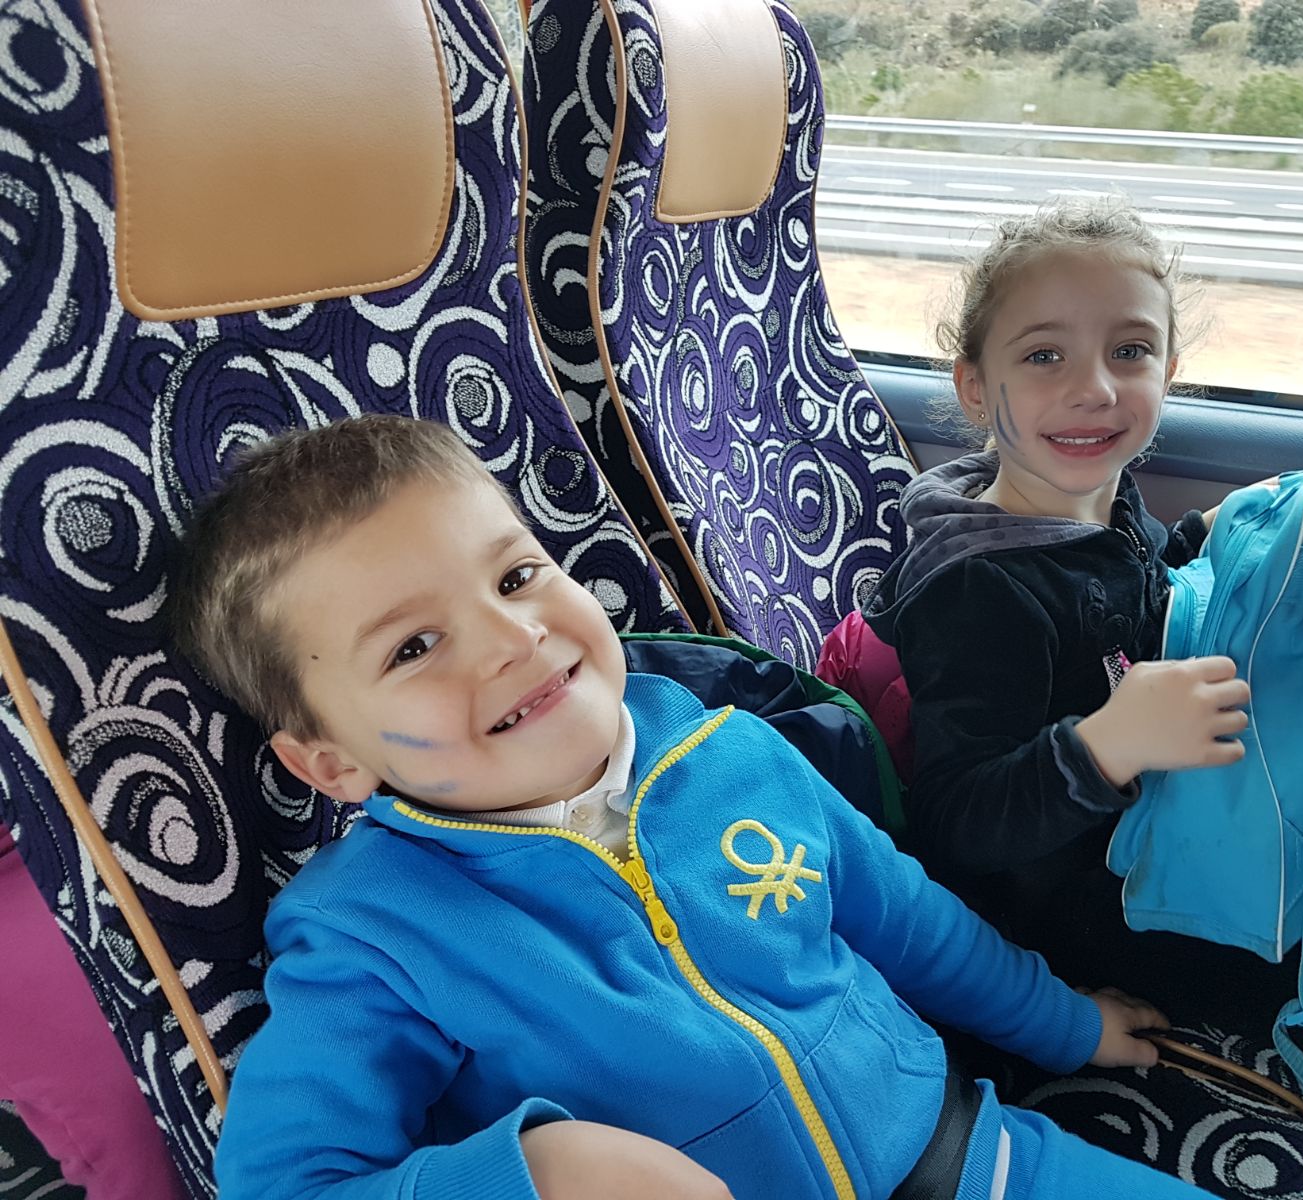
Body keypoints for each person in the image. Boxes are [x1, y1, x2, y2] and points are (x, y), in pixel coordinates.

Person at [168, 413, 1218, 1200]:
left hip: (971, 1158)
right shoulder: (369, 933)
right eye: (413, 646)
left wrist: (1060, 1022)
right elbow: (286, 1184)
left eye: (517, 576)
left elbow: (902, 916)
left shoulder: (733, 748)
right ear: (329, 762)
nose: (513, 638)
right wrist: (532, 1174)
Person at [863, 196, 1303, 1200]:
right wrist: (1102, 748)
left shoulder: (1097, 506)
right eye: (1044, 356)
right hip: (1079, 908)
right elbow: (955, 827)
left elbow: (1129, 609)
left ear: (1168, 372)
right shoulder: (978, 590)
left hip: (1175, 836)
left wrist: (1200, 547)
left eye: (1130, 352)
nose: (1094, 388)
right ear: (974, 386)